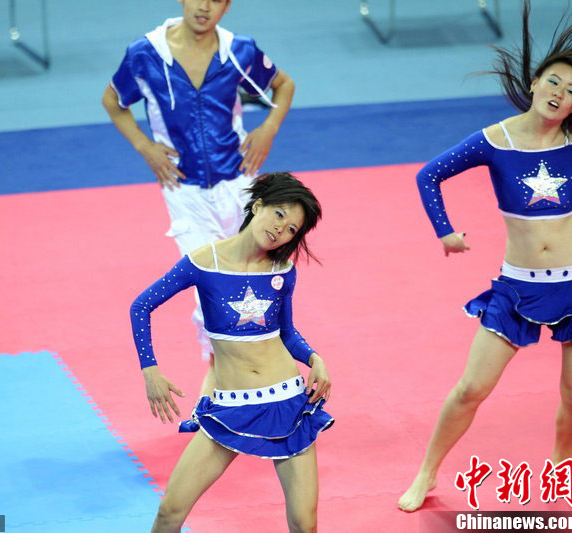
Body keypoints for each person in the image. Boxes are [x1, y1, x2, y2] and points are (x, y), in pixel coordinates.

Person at [399, 1, 572, 512]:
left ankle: (562, 467)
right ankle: (426, 473)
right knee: (471, 388)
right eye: (554, 82)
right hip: (519, 285)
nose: (560, 93)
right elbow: (428, 175)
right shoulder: (493, 140)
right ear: (536, 82)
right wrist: (445, 232)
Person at [103, 0, 295, 396]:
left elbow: (284, 84)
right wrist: (144, 146)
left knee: (253, 280)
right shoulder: (145, 54)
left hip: (240, 184)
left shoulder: (239, 50)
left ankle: (253, 380)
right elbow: (113, 100)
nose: (204, 6)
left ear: (227, 6)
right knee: (209, 286)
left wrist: (269, 128)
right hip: (184, 190)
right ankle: (218, 390)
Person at [130, 172, 332, 532]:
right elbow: (141, 306)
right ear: (258, 206)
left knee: (305, 524)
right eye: (279, 214)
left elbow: (286, 333)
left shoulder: (282, 270)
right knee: (169, 513)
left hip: (287, 403)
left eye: (291, 229)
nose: (281, 229)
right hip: (230, 406)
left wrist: (314, 358)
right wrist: (150, 371)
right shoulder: (203, 262)